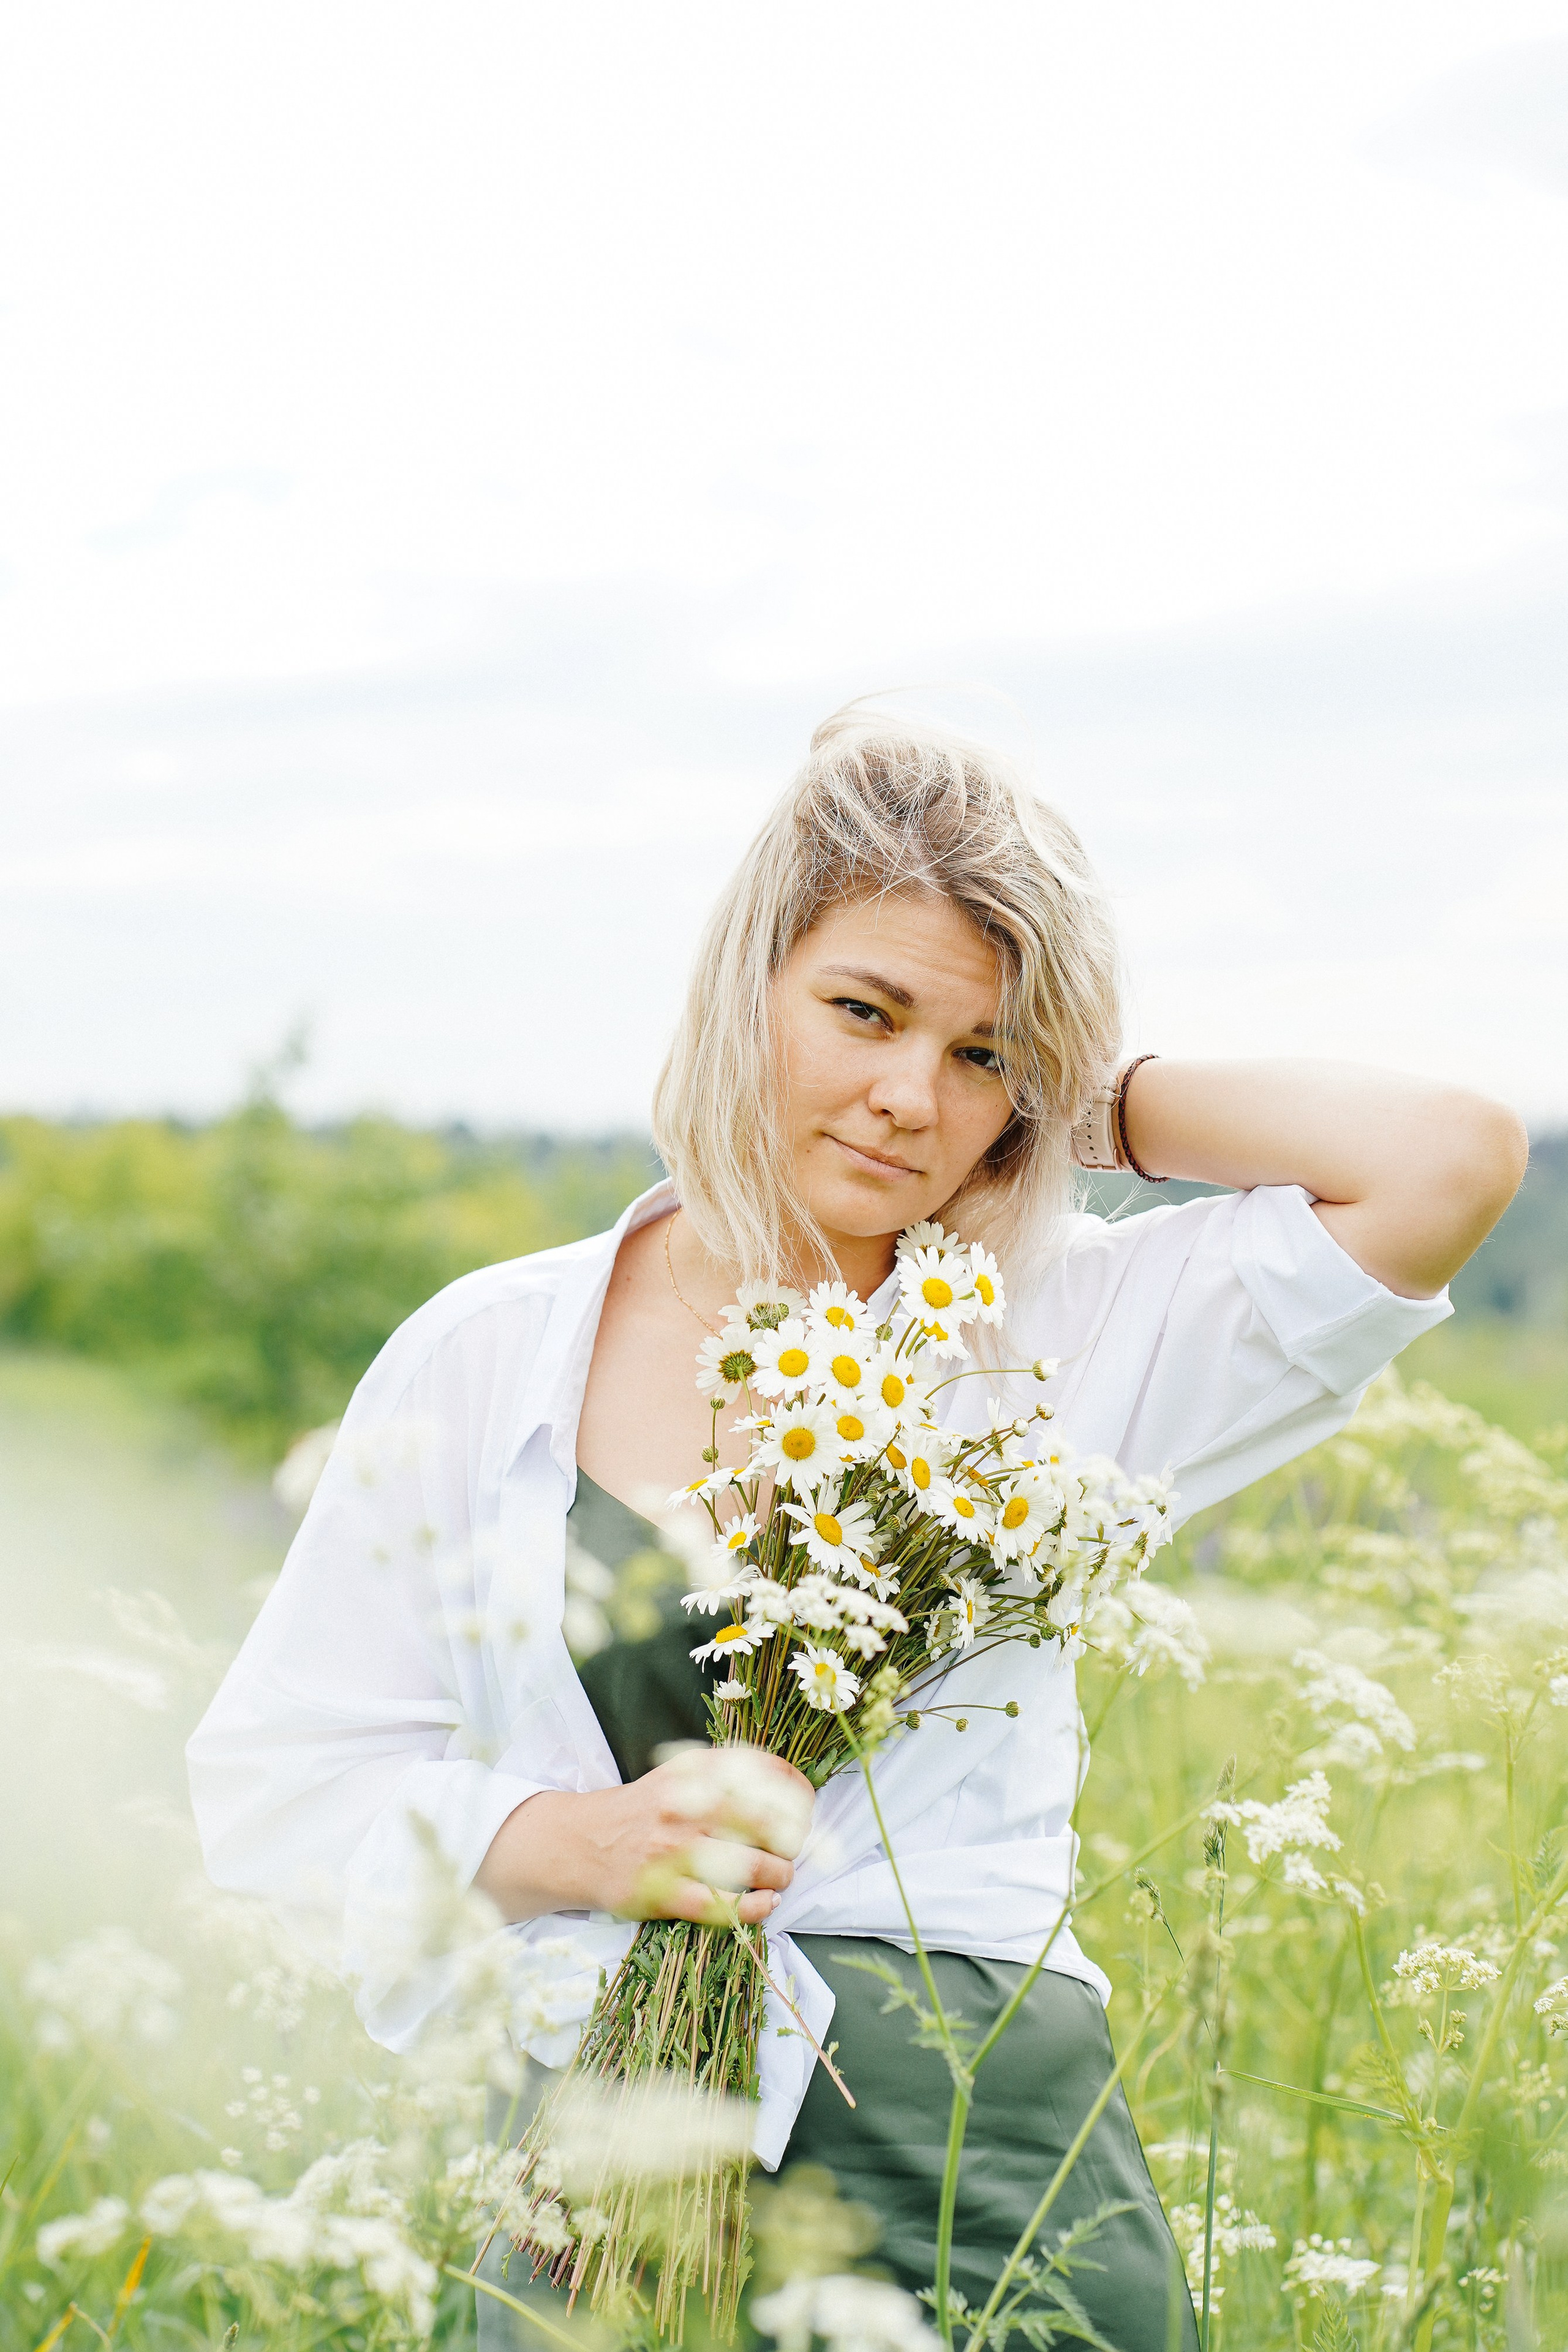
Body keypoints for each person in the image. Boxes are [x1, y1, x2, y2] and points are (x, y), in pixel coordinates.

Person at [187, 707, 1526, 2350]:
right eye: (862, 1011)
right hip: (606, 2175)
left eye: (977, 1055)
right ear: (743, 988)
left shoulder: (1069, 1333)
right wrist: (584, 1846)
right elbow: (279, 1792)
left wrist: (1075, 1093)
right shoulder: (489, 1350)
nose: (908, 1100)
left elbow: (1445, 1159)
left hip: (981, 2162)